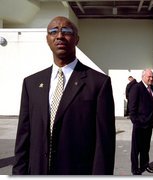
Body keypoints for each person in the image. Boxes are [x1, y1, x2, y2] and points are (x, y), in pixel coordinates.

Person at [12, 16, 116, 175]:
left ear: (77, 39)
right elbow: (23, 138)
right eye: (53, 31)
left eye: (66, 31)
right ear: (47, 39)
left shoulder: (99, 83)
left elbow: (104, 144)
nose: (59, 35)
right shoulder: (31, 83)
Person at [128, 69, 153, 175]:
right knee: (136, 149)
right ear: (143, 76)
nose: (151, 78)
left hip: (149, 124)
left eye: (152, 76)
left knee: (146, 147)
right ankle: (135, 168)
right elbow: (132, 107)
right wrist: (136, 121)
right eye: (149, 76)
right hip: (139, 124)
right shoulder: (136, 88)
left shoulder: (152, 88)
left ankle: (145, 165)